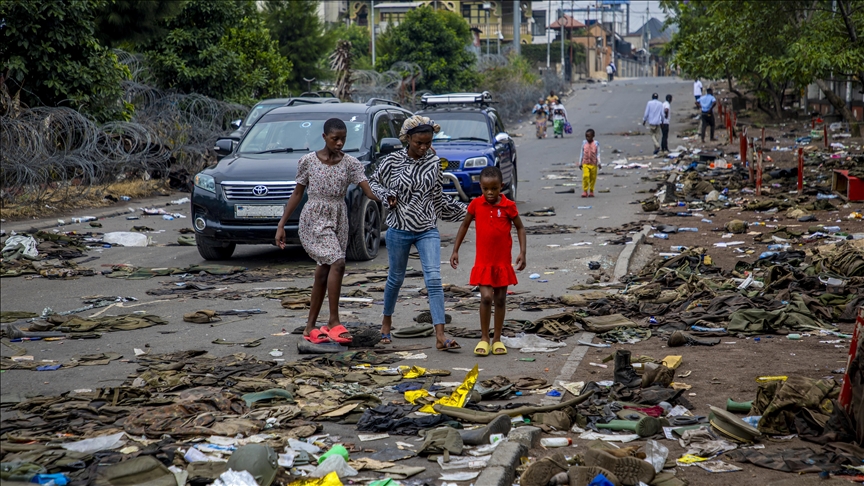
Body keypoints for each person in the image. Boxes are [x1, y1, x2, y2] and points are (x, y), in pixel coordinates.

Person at [275, 118, 380, 344]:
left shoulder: (351, 163)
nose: (340, 143)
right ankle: (333, 320)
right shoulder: (308, 162)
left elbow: (368, 190)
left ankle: (310, 326)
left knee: (324, 269)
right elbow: (297, 194)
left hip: (338, 218)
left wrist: (386, 197)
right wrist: (282, 224)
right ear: (324, 137)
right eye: (335, 139)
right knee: (338, 262)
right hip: (314, 217)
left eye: (343, 138)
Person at [369, 115, 467, 351]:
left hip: (427, 229)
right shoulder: (391, 161)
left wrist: (469, 212)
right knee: (396, 279)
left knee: (433, 279)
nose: (423, 148)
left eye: (428, 143)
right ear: (408, 138)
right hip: (398, 229)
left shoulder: (434, 163)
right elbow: (372, 183)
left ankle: (441, 336)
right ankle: (386, 324)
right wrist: (386, 195)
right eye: (418, 143)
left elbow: (438, 198)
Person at [449, 166, 526, 357]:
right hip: (483, 261)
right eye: (485, 189)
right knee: (486, 297)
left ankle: (497, 339)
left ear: (501, 186)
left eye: (494, 189)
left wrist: (522, 253)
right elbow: (465, 224)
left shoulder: (508, 206)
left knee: (500, 299)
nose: (490, 193)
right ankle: (484, 338)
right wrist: (455, 250)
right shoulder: (476, 204)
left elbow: (520, 228)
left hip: (502, 262)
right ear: (480, 187)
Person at [578, 129, 601, 198]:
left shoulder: (596, 144)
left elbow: (598, 154)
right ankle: (585, 191)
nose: (587, 138)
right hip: (585, 163)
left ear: (593, 136)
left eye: (589, 136)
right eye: (586, 137)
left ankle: (591, 190)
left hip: (593, 164)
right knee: (586, 176)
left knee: (592, 178)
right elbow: (581, 153)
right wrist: (580, 163)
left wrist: (599, 163)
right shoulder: (584, 143)